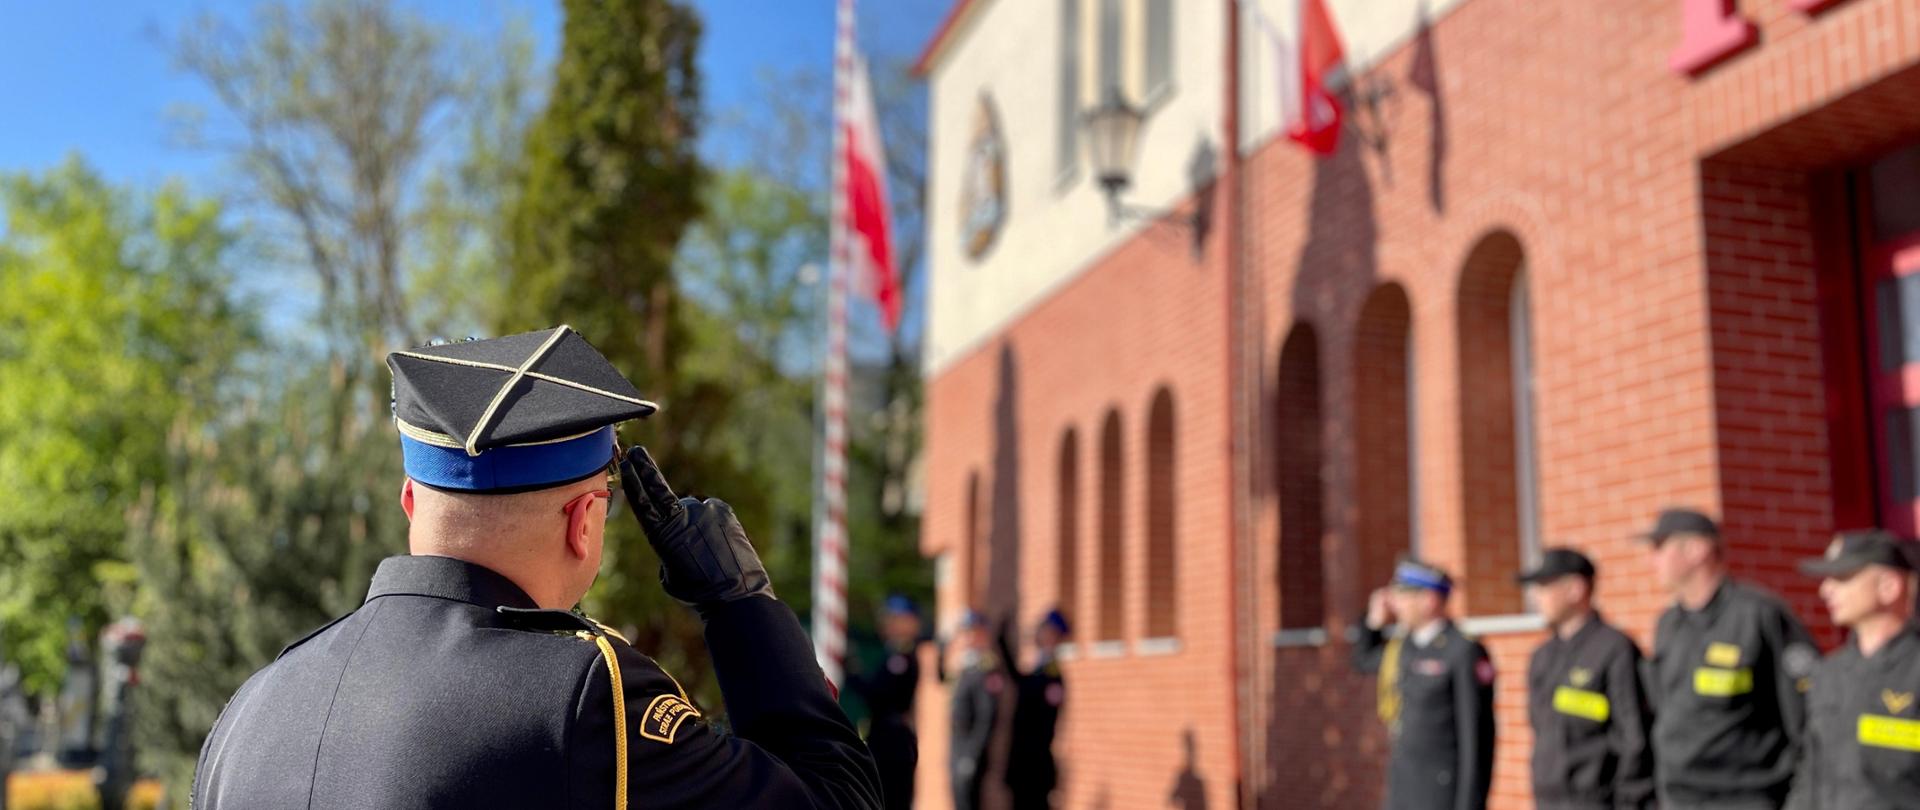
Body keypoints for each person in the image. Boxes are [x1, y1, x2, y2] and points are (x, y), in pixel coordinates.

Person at [192, 326, 882, 809]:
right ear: (585, 522)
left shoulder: (255, 702)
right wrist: (741, 606)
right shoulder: (583, 699)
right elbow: (838, 797)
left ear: (410, 501)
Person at [1642, 507, 1817, 810]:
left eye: (1660, 548)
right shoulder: (1668, 624)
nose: (1651, 560)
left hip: (1746, 797)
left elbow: (1809, 719)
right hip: (1679, 797)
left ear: (1696, 550)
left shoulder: (1758, 615)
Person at [1785, 529, 1920, 810]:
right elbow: (1810, 776)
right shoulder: (1827, 674)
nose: (1826, 589)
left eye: (1843, 577)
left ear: (1889, 587)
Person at [1352, 559, 1496, 810]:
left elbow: (1476, 736)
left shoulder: (1463, 650)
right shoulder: (1402, 648)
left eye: (1403, 596)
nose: (1395, 604)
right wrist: (1372, 623)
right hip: (1403, 785)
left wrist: (1471, 803)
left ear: (1429, 600)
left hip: (1441, 790)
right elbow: (1363, 661)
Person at [1519, 547, 1655, 810]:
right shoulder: (1542, 656)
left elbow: (1634, 736)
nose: (1536, 597)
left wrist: (1630, 801)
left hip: (1598, 801)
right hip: (1549, 800)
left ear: (1575, 589)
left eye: (1545, 587)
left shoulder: (1615, 649)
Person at [847, 594, 923, 810]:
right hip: (885, 737)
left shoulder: (901, 657)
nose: (887, 623)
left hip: (893, 740)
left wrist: (853, 673)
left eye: (894, 618)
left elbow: (878, 696)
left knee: (892, 798)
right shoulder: (892, 654)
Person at [1000, 609, 1068, 810]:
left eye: (1048, 631)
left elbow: (1043, 723)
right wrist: (1002, 641)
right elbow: (1020, 680)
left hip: (1034, 764)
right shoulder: (1039, 668)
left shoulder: (1052, 676)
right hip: (1023, 759)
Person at [947, 609, 1000, 810]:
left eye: (974, 632)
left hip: (970, 751)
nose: (968, 638)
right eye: (966, 632)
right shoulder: (965, 666)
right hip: (958, 747)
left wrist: (971, 755)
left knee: (969, 802)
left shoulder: (986, 668)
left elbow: (987, 717)